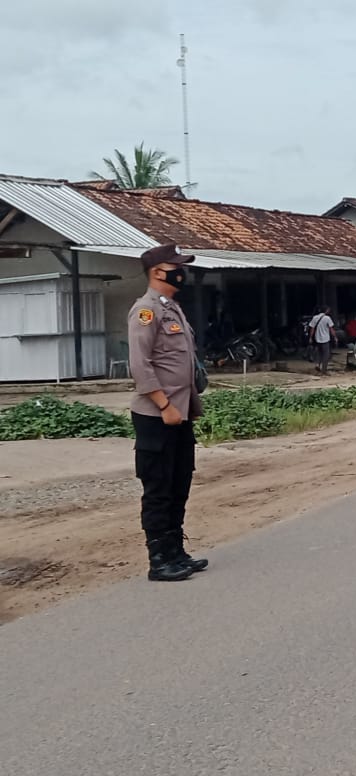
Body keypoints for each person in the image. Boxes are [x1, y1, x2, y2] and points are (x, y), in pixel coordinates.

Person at [128, 244, 208, 582]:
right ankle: (159, 559)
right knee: (159, 487)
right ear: (158, 271)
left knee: (179, 483)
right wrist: (164, 404)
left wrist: (186, 407)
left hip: (181, 414)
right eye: (177, 267)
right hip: (157, 416)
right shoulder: (145, 311)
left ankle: (176, 551)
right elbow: (140, 364)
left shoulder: (172, 309)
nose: (182, 272)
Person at [307, 305, 336, 375]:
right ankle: (324, 370)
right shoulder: (327, 318)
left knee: (319, 353)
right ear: (326, 310)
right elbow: (331, 329)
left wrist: (310, 338)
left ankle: (318, 365)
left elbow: (312, 329)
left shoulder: (315, 317)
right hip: (325, 339)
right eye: (328, 310)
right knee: (326, 355)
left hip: (317, 339)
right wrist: (335, 337)